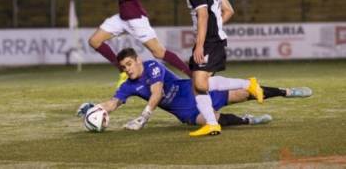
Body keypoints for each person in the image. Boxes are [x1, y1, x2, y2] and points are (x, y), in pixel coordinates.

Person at [76, 48, 312, 130]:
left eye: (129, 64)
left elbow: (156, 93)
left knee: (246, 93)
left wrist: (142, 118)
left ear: (138, 60)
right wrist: (97, 109)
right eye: (123, 67)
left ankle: (287, 92)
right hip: (186, 113)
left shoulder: (152, 66)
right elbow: (113, 103)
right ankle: (249, 121)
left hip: (195, 92)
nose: (127, 69)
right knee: (216, 123)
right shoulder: (129, 85)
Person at [168, 0, 264, 136]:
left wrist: (201, 44)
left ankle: (247, 84)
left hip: (209, 42)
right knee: (197, 84)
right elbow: (228, 10)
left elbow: (203, 16)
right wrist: (215, 29)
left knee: (201, 84)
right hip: (214, 39)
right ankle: (212, 123)